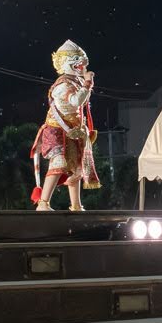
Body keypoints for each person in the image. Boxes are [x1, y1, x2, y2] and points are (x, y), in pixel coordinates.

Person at [30, 40, 98, 211]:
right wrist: (88, 84)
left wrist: (85, 84)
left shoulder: (75, 81)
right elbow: (76, 102)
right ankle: (43, 203)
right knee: (58, 163)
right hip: (57, 130)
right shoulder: (63, 85)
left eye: (82, 61)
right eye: (76, 60)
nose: (82, 64)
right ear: (64, 62)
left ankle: (76, 205)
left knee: (76, 168)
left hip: (72, 130)